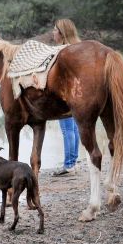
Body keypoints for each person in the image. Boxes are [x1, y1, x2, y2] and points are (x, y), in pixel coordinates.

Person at [51, 18, 82, 176]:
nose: (53, 32)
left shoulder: (63, 51)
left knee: (67, 129)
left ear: (62, 33)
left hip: (65, 94)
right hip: (77, 94)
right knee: (74, 128)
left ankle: (69, 164)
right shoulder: (77, 48)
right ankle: (74, 161)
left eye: (55, 29)